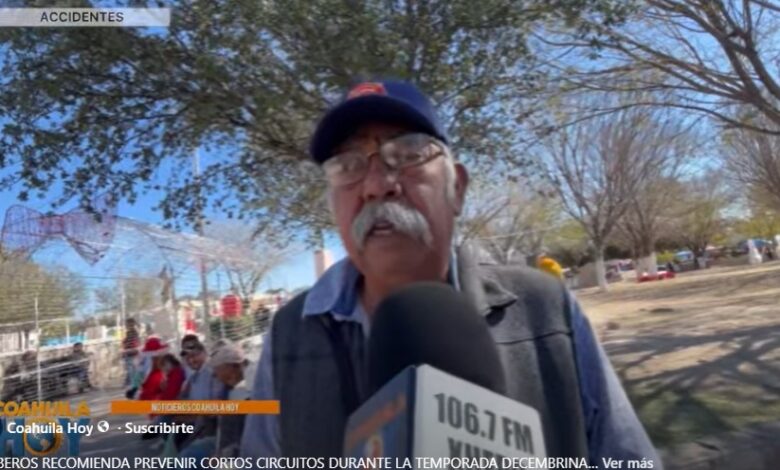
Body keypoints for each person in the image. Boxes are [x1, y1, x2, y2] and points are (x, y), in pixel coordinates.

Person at [239, 80, 661, 466]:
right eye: (348, 167)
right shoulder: (289, 333)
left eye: (408, 154)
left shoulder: (545, 306)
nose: (376, 185)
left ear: (457, 188)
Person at [179, 344, 250, 463]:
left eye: (217, 369)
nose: (214, 374)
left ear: (230, 368)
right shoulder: (230, 388)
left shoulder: (245, 392)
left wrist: (221, 456)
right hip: (219, 440)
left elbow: (239, 437)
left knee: (189, 455)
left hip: (235, 450)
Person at [122, 318, 141, 387]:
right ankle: (134, 384)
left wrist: (126, 348)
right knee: (132, 370)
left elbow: (134, 343)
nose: (126, 325)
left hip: (132, 353)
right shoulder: (130, 333)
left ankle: (134, 384)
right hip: (130, 353)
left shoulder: (133, 333)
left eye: (127, 324)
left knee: (132, 370)